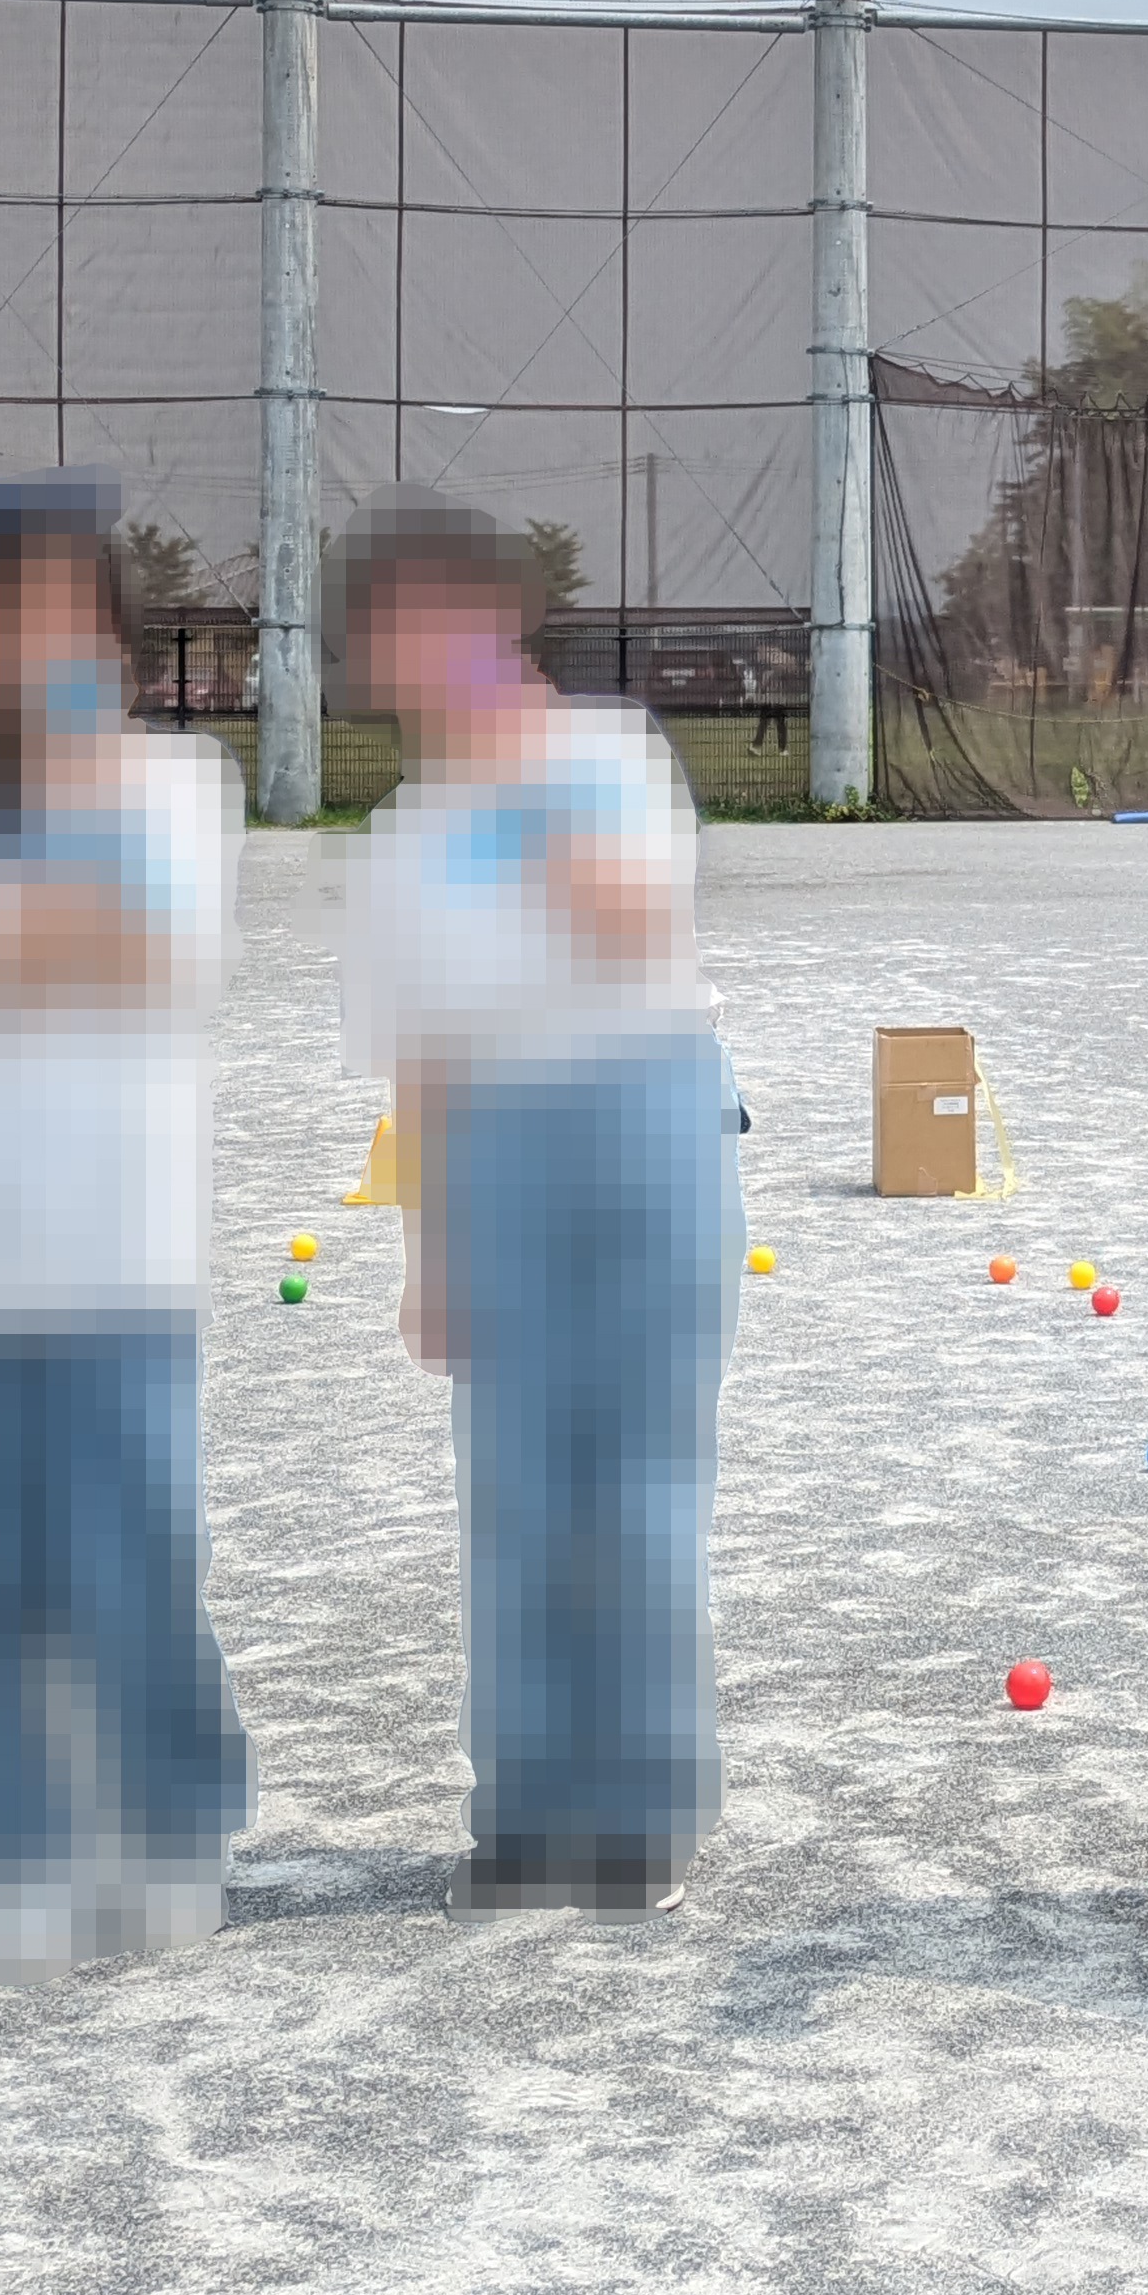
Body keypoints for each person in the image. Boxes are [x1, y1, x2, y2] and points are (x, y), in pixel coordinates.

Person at [335, 497, 740, 1917]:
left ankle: (638, 1811)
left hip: (643, 1120)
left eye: (444, 618)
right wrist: (428, 1248)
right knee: (514, 1495)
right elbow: (417, 1053)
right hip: (491, 1147)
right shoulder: (398, 830)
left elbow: (633, 925)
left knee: (634, 1489)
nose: (420, 651)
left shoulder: (607, 755)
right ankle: (523, 1805)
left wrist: (519, 785)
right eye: (395, 630)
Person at [0, 479, 253, 1988]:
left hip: (122, 1250)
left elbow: (149, 955)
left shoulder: (174, 789)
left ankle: (169, 1827)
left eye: (59, 614)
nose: (29, 643)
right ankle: (28, 1852)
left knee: (136, 1552)